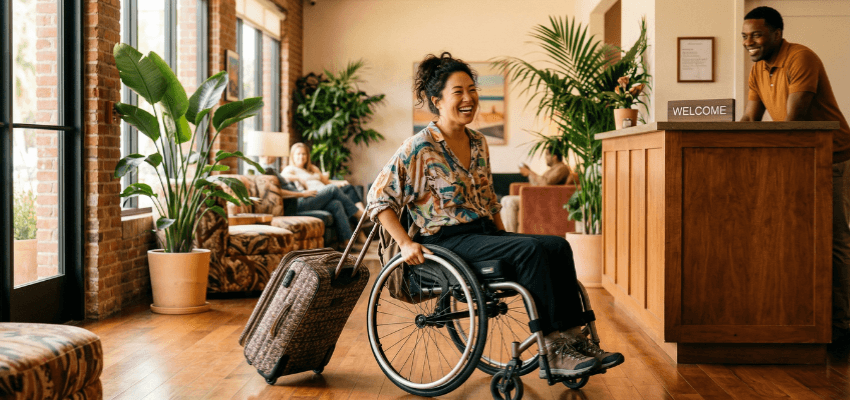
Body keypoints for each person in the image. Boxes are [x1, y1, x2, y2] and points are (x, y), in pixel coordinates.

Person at [366, 52, 624, 379]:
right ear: (437, 101)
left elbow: (489, 199)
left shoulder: (477, 141)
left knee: (557, 245)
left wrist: (504, 237)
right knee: (531, 251)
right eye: (458, 92)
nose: (469, 98)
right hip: (446, 241)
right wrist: (405, 244)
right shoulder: (419, 147)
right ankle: (554, 350)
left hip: (484, 233)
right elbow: (378, 198)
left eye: (472, 90)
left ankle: (575, 342)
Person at [740, 6, 850, 341]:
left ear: (777, 34)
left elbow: (794, 121)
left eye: (756, 35)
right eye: (745, 36)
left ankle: (842, 324)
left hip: (832, 157)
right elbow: (750, 119)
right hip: (798, 158)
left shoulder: (801, 58)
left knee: (835, 239)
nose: (749, 42)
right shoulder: (758, 69)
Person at [500, 146, 574, 232]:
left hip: (546, 199)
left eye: (547, 155)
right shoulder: (552, 170)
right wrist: (529, 172)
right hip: (539, 197)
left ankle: (510, 233)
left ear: (554, 156)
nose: (545, 158)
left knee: (510, 201)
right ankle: (506, 232)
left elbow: (546, 183)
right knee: (505, 199)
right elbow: (538, 184)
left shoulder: (562, 168)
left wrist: (530, 172)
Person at [282, 142, 365, 211]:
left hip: (326, 189)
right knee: (334, 191)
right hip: (317, 194)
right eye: (298, 154)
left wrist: (340, 182)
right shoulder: (290, 168)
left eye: (304, 154)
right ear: (292, 156)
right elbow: (283, 176)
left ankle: (362, 213)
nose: (301, 157)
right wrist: (299, 178)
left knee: (348, 187)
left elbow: (326, 182)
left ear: (307, 156)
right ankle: (360, 215)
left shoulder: (312, 168)